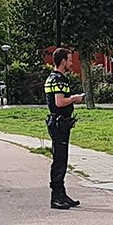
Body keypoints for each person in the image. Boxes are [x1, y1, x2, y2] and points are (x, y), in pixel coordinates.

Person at [44, 48, 85, 210]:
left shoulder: (52, 78)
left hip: (58, 122)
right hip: (60, 123)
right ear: (62, 62)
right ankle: (56, 197)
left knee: (61, 159)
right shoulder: (59, 80)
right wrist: (75, 98)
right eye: (69, 60)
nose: (71, 63)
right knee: (60, 160)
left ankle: (62, 193)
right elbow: (60, 102)